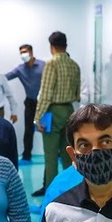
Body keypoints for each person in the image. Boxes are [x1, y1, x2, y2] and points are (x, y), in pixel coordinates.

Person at [33, 31, 81, 196]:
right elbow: (77, 94)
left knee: (51, 156)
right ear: (66, 45)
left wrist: (38, 117)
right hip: (69, 111)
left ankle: (51, 194)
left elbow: (46, 94)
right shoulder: (74, 65)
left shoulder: (51, 64)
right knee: (69, 154)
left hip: (52, 111)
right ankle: (71, 192)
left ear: (51, 46)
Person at [5, 44, 45, 163]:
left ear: (31, 52)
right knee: (28, 130)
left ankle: (57, 154)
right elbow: (5, 77)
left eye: (25, 52)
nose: (23, 55)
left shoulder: (43, 65)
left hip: (45, 102)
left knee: (48, 129)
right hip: (30, 102)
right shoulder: (20, 69)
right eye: (21, 52)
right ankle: (27, 155)